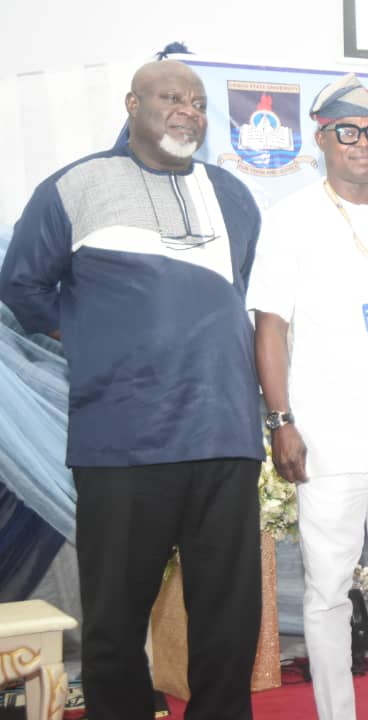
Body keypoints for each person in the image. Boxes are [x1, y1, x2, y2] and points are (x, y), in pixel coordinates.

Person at [0, 59, 264, 720]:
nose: (188, 111)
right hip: (123, 440)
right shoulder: (75, 186)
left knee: (228, 620)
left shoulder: (233, 194)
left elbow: (241, 294)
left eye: (199, 102)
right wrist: (88, 339)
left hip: (224, 434)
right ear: (131, 103)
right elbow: (21, 283)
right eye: (171, 97)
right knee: (115, 622)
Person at [247, 74, 368, 720]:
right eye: (349, 132)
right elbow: (269, 327)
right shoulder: (289, 220)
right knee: (328, 590)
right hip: (328, 439)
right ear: (322, 138)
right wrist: (281, 422)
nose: (363, 144)